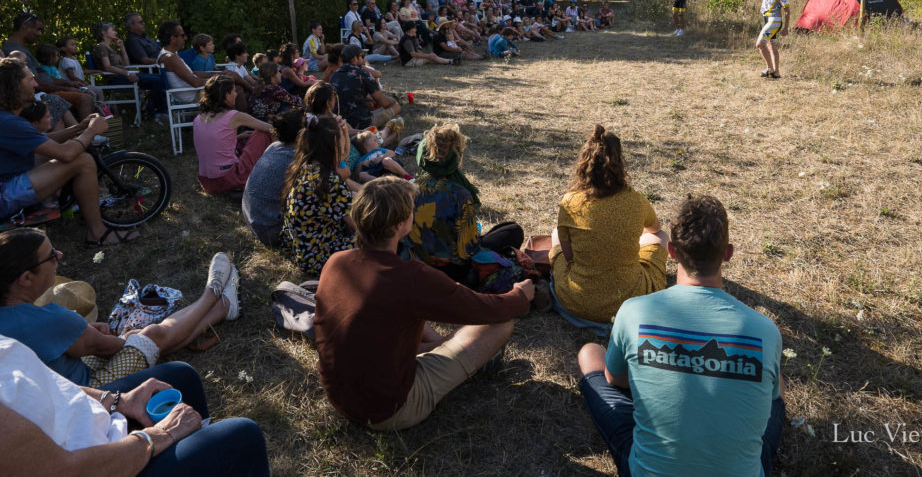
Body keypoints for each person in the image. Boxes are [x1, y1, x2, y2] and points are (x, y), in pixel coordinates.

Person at [576, 195, 784, 477]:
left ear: (671, 251)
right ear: (728, 253)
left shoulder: (633, 311)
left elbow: (616, 380)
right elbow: (770, 399)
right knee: (777, 383)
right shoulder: (765, 330)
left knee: (590, 353)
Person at [315, 177, 535, 430]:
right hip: (390, 410)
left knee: (405, 314)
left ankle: (437, 345)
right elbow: (486, 310)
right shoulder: (411, 277)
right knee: (501, 323)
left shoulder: (336, 262)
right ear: (401, 224)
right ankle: (449, 352)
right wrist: (520, 295)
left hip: (340, 397)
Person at [0, 334, 269, 476]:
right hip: (97, 465)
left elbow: (41, 380)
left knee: (179, 377)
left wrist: (116, 400)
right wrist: (158, 436)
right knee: (241, 438)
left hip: (91, 432)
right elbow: (65, 473)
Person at [0, 228, 240, 386]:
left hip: (53, 392)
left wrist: (80, 334)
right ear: (26, 278)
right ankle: (213, 295)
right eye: (51, 255)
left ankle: (220, 308)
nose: (59, 255)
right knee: (150, 336)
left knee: (145, 339)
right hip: (86, 396)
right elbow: (110, 347)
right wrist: (118, 337)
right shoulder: (50, 319)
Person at [0, 58, 137, 246]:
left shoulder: (6, 117)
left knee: (62, 152)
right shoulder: (9, 122)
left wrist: (78, 128)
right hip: (5, 194)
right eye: (30, 79)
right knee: (83, 160)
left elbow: (45, 144)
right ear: (14, 85)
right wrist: (91, 131)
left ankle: (87, 208)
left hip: (8, 181)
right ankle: (97, 233)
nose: (36, 83)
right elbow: (66, 155)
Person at [550, 125, 668, 324]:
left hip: (576, 300)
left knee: (556, 234)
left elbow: (569, 256)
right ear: (620, 163)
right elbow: (655, 230)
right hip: (630, 301)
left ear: (583, 164)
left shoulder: (570, 201)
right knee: (661, 237)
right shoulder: (636, 201)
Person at [404, 124, 526, 294]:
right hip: (453, 271)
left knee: (501, 230)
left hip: (420, 264)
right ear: (456, 159)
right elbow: (467, 250)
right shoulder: (459, 194)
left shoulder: (409, 189)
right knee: (513, 230)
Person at [280, 115, 355, 274]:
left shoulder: (303, 167)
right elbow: (357, 225)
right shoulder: (330, 183)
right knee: (381, 240)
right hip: (320, 257)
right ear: (335, 143)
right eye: (343, 136)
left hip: (301, 249)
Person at [3, 13, 95, 120]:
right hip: (42, 94)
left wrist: (69, 83)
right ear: (25, 27)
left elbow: (45, 76)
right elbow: (36, 83)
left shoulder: (23, 48)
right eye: (38, 29)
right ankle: (88, 132)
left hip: (50, 89)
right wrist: (66, 88)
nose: (39, 34)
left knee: (88, 91)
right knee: (86, 98)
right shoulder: (15, 51)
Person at [192, 75, 273, 194]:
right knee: (262, 134)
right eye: (234, 91)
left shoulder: (198, 118)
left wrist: (239, 136)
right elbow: (271, 128)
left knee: (245, 139)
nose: (236, 94)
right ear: (226, 95)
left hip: (207, 183)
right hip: (229, 180)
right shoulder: (234, 116)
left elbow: (214, 142)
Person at [242, 109, 304, 248]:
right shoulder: (296, 158)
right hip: (272, 230)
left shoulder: (274, 146)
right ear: (302, 135)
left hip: (253, 219)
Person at [329, 44, 403, 135]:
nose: (363, 60)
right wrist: (394, 100)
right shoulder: (363, 74)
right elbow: (384, 103)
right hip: (361, 123)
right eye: (362, 56)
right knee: (396, 106)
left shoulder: (334, 76)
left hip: (339, 123)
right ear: (354, 59)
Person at [743, 0, 790, 79]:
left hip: (774, 21)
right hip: (767, 19)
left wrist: (786, 28)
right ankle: (777, 72)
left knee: (759, 45)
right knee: (771, 46)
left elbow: (787, 11)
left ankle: (770, 69)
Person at [156, 22, 217, 106]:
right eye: (182, 35)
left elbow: (192, 75)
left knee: (231, 83)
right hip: (193, 96)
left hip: (193, 92)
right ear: (173, 38)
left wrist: (215, 75)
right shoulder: (170, 57)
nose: (185, 38)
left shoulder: (168, 55)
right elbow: (195, 83)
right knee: (232, 88)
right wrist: (216, 82)